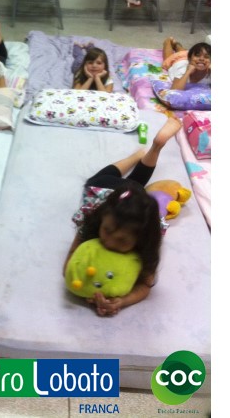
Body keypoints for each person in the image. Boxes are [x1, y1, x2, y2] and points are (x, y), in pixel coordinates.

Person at [63, 117, 182, 316]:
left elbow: (145, 285)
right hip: (103, 186)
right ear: (102, 219)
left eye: (122, 240)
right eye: (107, 230)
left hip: (130, 191)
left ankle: (150, 149)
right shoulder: (93, 218)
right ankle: (139, 155)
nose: (109, 242)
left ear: (141, 238)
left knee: (137, 182)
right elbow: (68, 266)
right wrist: (87, 292)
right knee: (108, 180)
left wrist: (122, 301)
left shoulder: (148, 240)